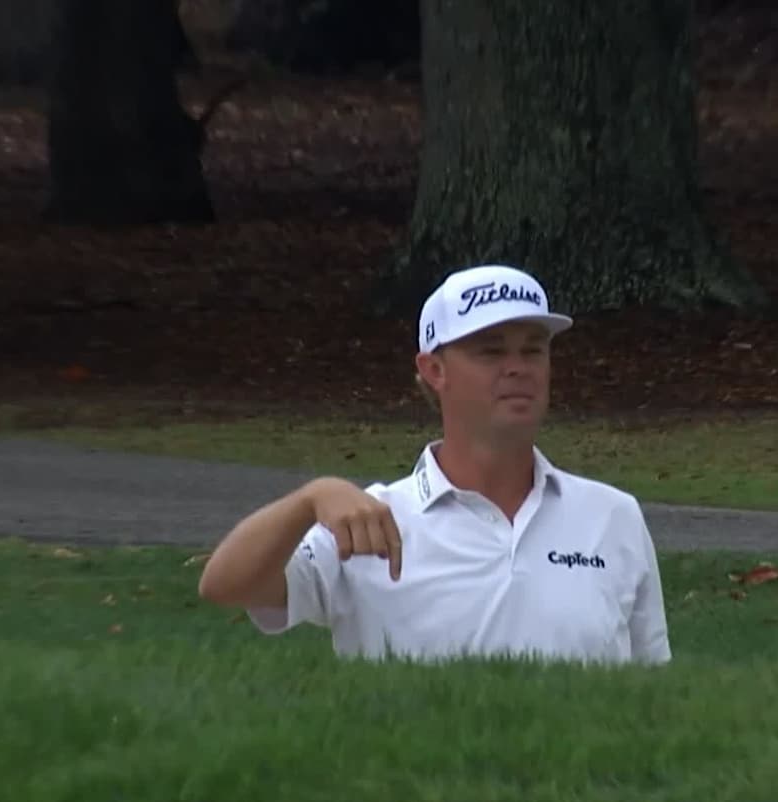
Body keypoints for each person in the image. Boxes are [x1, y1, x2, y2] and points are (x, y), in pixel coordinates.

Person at [197, 263, 671, 665]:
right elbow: (227, 584)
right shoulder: (371, 522)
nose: (517, 366)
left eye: (533, 349)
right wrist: (309, 499)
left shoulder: (613, 515)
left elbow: (651, 693)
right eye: (490, 350)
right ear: (434, 370)